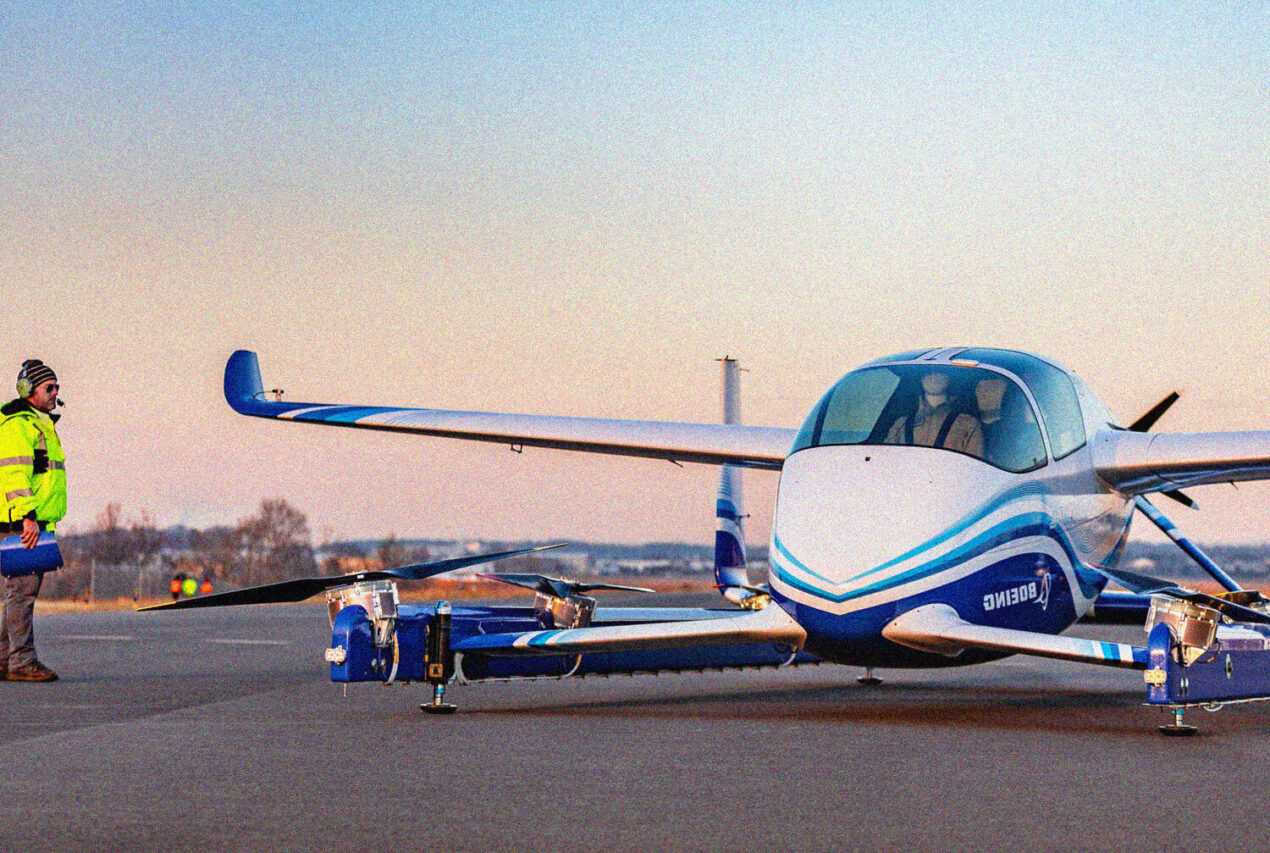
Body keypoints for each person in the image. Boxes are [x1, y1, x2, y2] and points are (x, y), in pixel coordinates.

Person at [0, 359, 66, 682]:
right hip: (22, 523)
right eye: (48, 388)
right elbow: (14, 474)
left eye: (56, 388)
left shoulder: (39, 424)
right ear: (29, 391)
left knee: (19, 591)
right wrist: (28, 518)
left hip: (35, 522)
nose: (55, 393)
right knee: (22, 592)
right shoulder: (18, 425)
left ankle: (3, 659)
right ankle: (22, 661)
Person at [885, 371, 984, 457]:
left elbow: (972, 471)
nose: (933, 375)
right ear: (921, 377)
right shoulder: (900, 424)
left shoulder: (968, 424)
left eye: (940, 371)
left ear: (950, 376)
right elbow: (887, 462)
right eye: (928, 371)